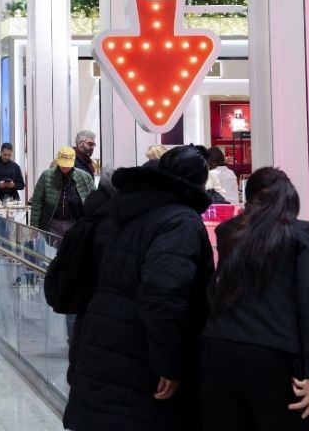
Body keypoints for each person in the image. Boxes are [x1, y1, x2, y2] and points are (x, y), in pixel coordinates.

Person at [63, 145, 216, 431]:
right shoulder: (180, 221)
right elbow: (162, 296)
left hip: (101, 340)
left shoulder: (129, 211)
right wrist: (169, 364)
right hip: (138, 357)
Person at [200, 167, 309, 431]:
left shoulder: (229, 233)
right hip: (273, 356)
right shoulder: (304, 236)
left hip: (217, 349)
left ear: (249, 198)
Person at [30, 147, 96, 238]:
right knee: (51, 250)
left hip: (75, 222)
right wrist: (34, 229)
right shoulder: (46, 176)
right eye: (63, 164)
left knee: (72, 251)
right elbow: (36, 204)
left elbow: (95, 204)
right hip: (52, 223)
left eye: (68, 165)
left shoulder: (85, 177)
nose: (65, 167)